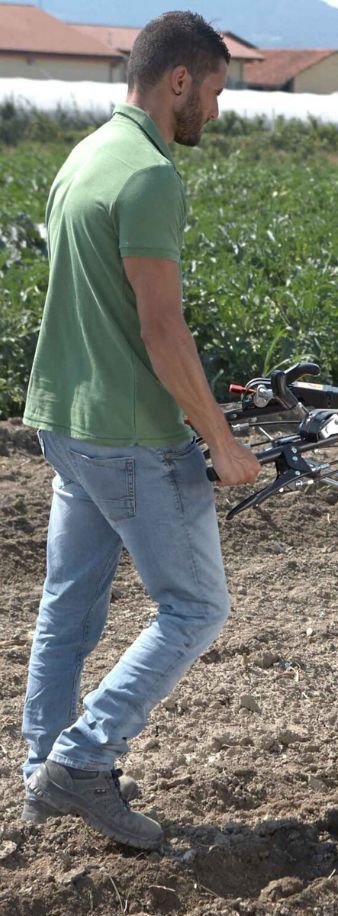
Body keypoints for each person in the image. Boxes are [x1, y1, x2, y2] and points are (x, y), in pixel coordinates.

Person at [20, 11, 260, 850]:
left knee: (68, 610)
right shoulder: (152, 175)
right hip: (128, 433)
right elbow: (162, 329)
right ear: (180, 80)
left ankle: (39, 779)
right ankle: (84, 762)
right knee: (195, 607)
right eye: (216, 93)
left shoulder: (86, 156)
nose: (217, 114)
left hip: (66, 422)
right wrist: (221, 442)